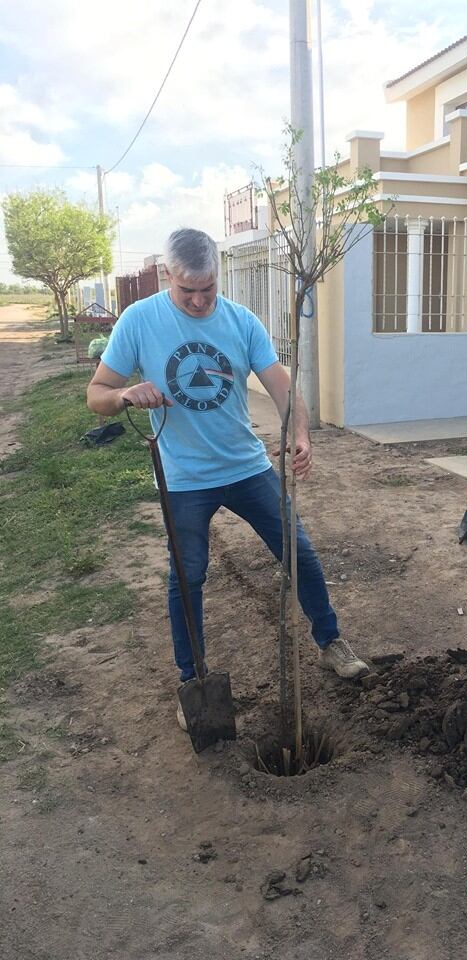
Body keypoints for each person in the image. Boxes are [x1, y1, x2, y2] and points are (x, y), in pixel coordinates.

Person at [87, 228, 369, 731]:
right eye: (186, 291)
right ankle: (193, 681)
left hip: (246, 466)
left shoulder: (241, 321)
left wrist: (300, 433)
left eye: (207, 290)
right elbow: (97, 393)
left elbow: (281, 384)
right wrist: (126, 395)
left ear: (218, 276)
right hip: (183, 477)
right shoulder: (139, 320)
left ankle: (330, 642)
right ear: (167, 276)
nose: (197, 301)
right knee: (188, 576)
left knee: (298, 551)